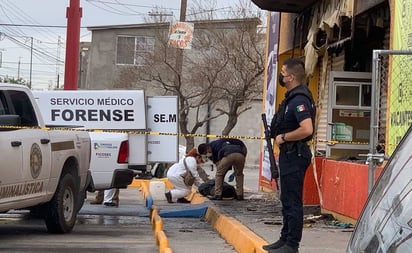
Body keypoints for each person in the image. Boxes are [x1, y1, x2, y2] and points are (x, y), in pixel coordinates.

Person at [262, 58, 316, 253]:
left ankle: (292, 245)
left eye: (283, 74)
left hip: (295, 154)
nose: (281, 77)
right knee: (286, 199)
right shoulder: (291, 98)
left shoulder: (300, 100)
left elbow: (306, 128)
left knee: (292, 200)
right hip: (289, 154)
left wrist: (284, 137)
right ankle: (284, 239)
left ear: (291, 77)